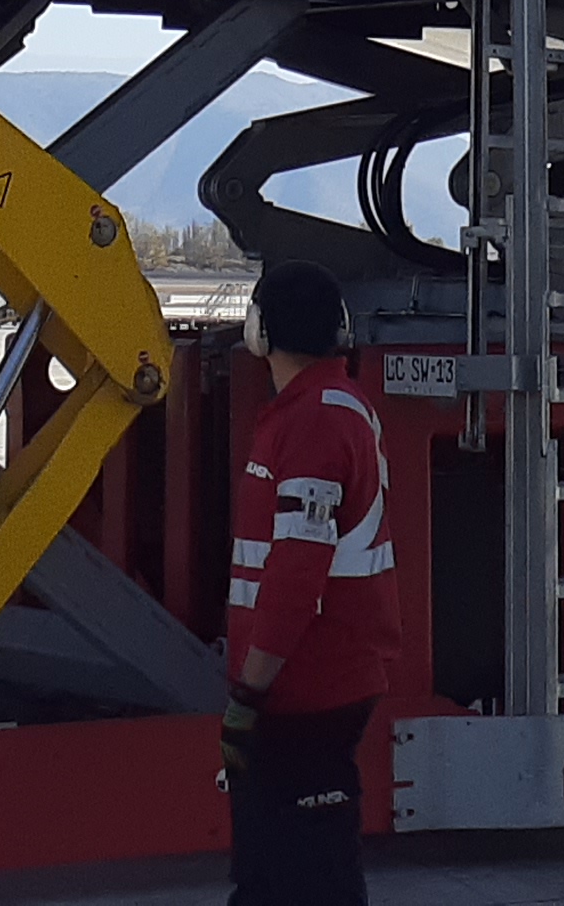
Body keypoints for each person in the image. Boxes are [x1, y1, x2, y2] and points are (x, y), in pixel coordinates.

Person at [222, 260, 396, 906]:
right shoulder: (326, 408)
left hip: (307, 685)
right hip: (310, 680)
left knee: (305, 872)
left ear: (261, 331)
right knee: (273, 872)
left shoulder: (317, 420)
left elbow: (296, 574)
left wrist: (251, 688)